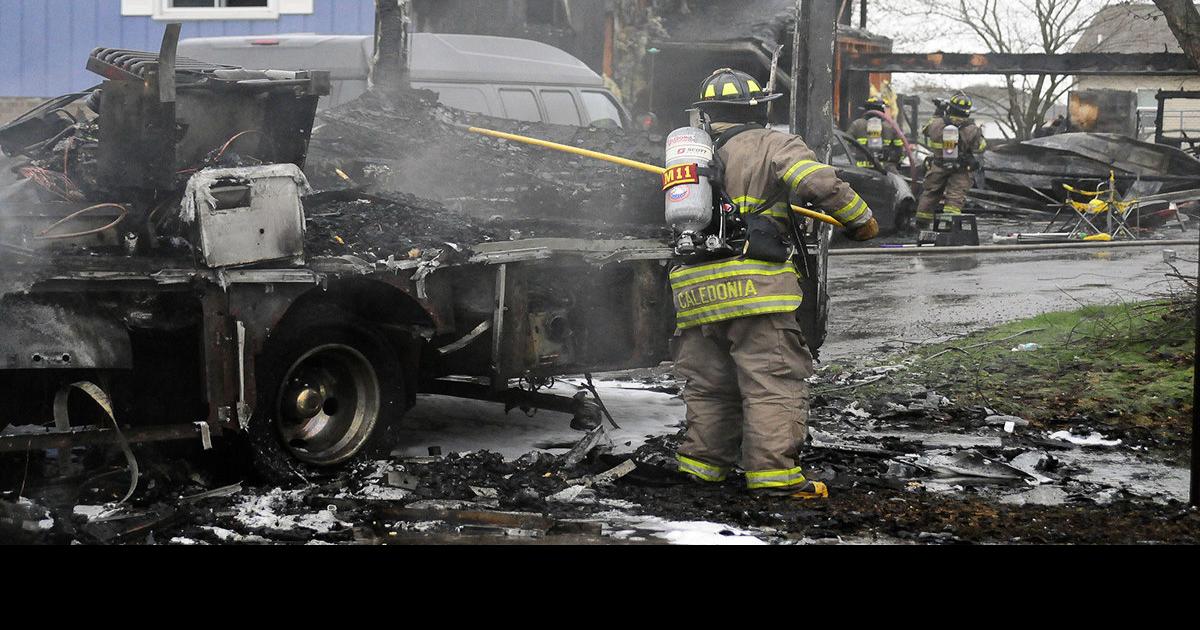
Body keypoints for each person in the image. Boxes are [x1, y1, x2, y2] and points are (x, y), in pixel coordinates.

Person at [670, 68, 878, 499]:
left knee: (710, 386)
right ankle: (774, 479)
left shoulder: (691, 157)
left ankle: (702, 468)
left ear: (706, 113)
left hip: (695, 291)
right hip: (754, 290)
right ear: (757, 110)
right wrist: (861, 219)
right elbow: (817, 182)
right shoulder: (773, 143)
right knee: (773, 383)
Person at [915, 92, 987, 230]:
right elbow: (980, 147)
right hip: (960, 169)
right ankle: (949, 226)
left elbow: (925, 130)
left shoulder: (936, 123)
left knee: (930, 193)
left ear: (950, 108)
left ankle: (921, 225)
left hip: (937, 165)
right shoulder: (972, 129)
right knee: (955, 195)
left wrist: (938, 113)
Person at [847, 96, 904, 171]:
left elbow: (846, 145)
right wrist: (897, 163)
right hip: (885, 170)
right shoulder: (891, 126)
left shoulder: (857, 124)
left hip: (861, 170)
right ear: (882, 110)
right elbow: (899, 150)